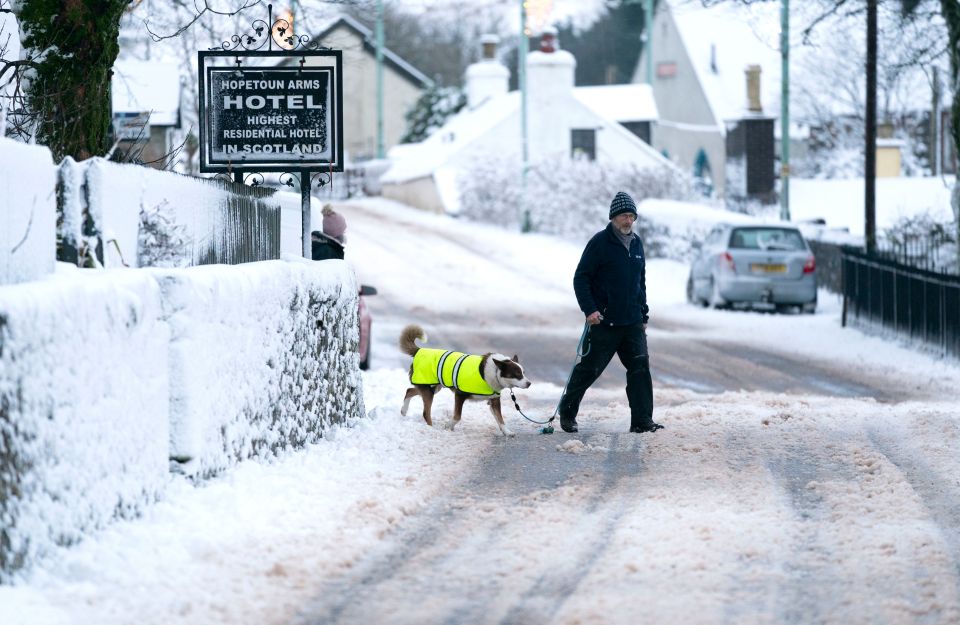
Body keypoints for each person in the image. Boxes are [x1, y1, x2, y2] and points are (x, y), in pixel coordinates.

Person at [557, 191, 663, 434]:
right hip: (604, 322)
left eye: (632, 216)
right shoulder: (599, 243)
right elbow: (580, 278)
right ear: (614, 217)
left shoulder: (637, 244)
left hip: (632, 323)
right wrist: (590, 309)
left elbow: (640, 282)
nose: (629, 221)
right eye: (624, 216)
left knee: (640, 370)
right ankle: (567, 412)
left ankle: (642, 421)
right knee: (588, 371)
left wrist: (643, 314)